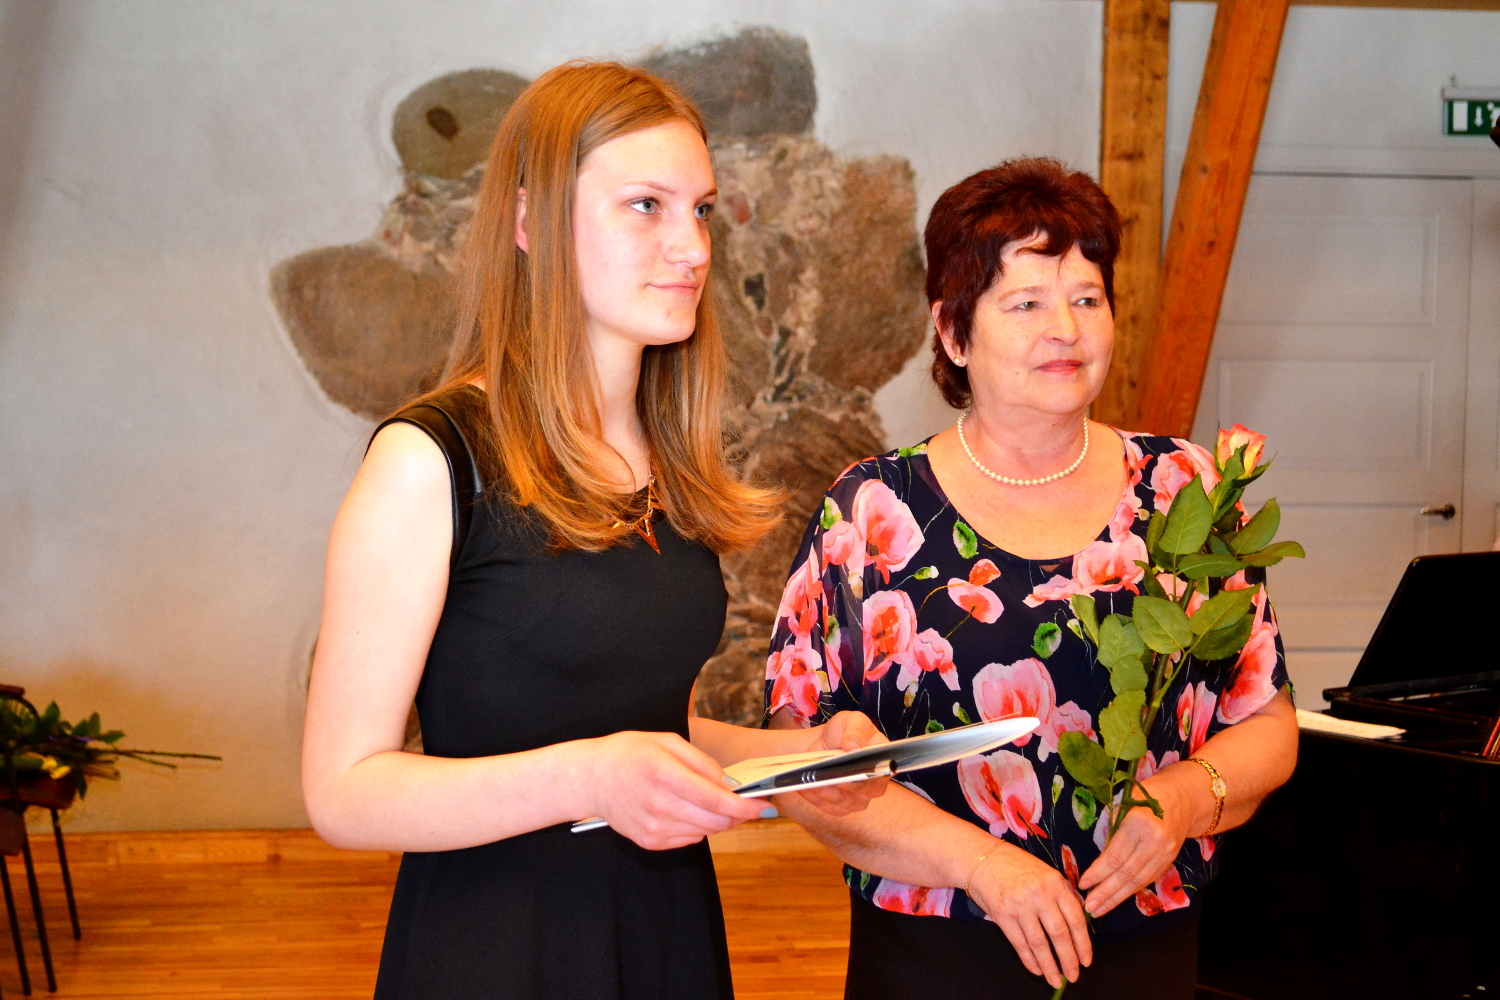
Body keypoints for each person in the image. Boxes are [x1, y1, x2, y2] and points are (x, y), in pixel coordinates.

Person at [300, 61, 888, 1000]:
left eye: (701, 210)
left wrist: (801, 758)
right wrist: (591, 780)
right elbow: (344, 792)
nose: (692, 247)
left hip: (664, 936)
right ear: (530, 224)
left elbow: (640, 731)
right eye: (646, 206)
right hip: (496, 955)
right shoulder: (430, 460)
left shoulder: (667, 457)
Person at [764, 157, 1299, 1000]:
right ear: (953, 332)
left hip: (1146, 944)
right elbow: (801, 763)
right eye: (1026, 305)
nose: (1066, 330)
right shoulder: (870, 510)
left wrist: (1186, 800)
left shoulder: (1183, 490)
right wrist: (983, 866)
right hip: (935, 956)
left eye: (1087, 299)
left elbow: (1267, 719)